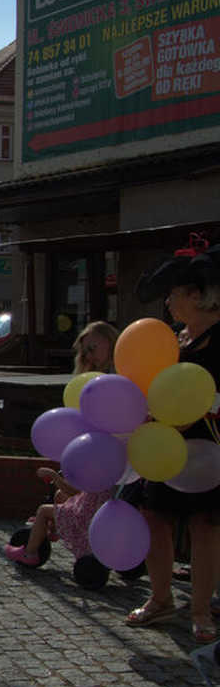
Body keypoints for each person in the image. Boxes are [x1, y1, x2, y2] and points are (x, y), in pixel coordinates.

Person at [125, 243, 220, 643]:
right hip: (163, 443)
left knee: (204, 525)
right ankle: (160, 599)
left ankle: (200, 611)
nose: (168, 302)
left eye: (174, 294)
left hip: (207, 446)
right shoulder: (174, 339)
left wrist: (199, 408)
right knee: (153, 516)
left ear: (197, 296)